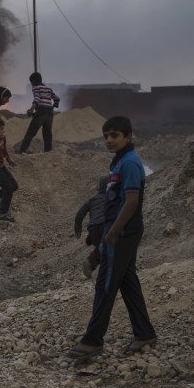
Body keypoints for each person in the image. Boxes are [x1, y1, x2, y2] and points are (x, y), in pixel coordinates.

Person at [66, 116, 157, 360]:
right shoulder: (118, 162)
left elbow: (131, 201)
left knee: (105, 285)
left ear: (128, 137)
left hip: (122, 233)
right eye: (106, 135)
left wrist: (113, 231)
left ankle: (93, 340)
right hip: (119, 230)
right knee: (127, 281)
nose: (109, 140)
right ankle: (144, 332)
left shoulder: (129, 163)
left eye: (115, 135)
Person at [73, 174, 110, 279]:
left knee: (103, 248)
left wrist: (77, 229)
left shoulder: (92, 199)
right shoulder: (112, 197)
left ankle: (104, 271)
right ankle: (90, 262)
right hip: (106, 227)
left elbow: (80, 214)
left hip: (93, 230)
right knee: (109, 247)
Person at [17, 72, 60, 154]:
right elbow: (57, 99)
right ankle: (48, 153)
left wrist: (31, 109)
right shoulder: (49, 89)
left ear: (33, 81)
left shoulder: (36, 88)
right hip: (50, 113)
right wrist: (52, 107)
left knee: (30, 133)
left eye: (31, 83)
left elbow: (37, 98)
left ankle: (21, 152)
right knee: (47, 135)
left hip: (41, 112)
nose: (32, 85)